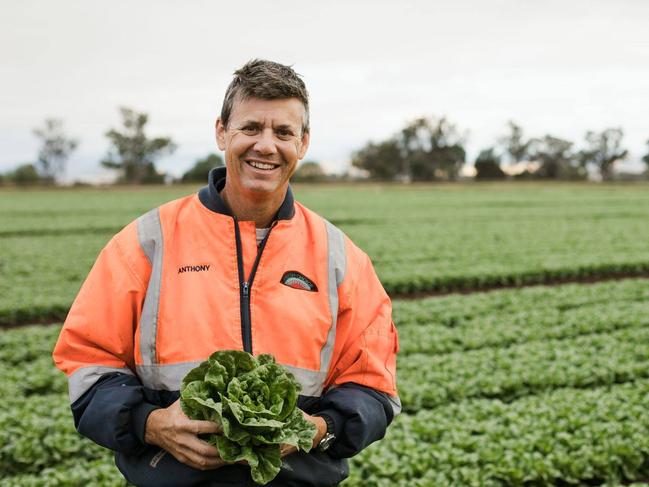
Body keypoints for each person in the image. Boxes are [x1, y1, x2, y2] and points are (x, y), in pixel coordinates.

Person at [53, 59, 400, 487]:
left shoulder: (340, 258)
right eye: (251, 128)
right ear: (222, 132)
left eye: (284, 132)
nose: (266, 145)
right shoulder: (147, 242)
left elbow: (373, 386)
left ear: (304, 142)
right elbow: (89, 362)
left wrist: (319, 429)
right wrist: (151, 423)